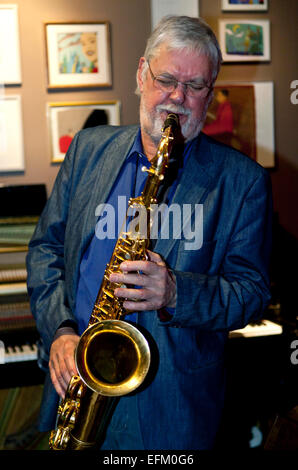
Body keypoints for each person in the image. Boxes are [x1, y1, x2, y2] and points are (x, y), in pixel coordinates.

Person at [26, 15, 272, 450]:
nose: (178, 97)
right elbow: (45, 250)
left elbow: (251, 292)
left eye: (195, 86)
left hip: (172, 411)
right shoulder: (87, 150)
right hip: (78, 387)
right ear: (141, 74)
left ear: (209, 95)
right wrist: (61, 332)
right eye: (166, 79)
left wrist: (177, 293)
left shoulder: (241, 181)